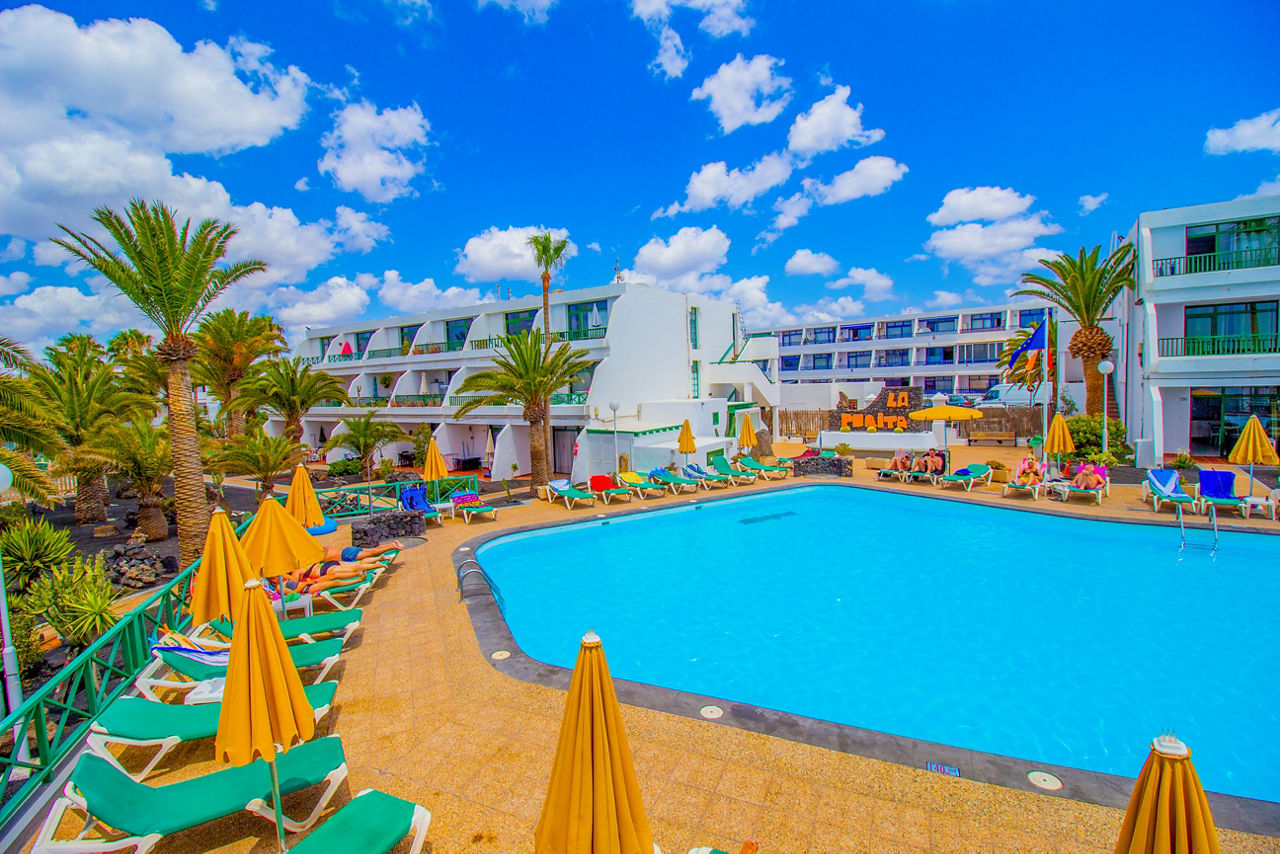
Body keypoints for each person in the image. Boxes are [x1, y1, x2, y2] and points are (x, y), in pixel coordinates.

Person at [324, 540, 403, 563]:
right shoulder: (324, 548)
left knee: (371, 553)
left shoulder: (320, 557)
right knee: (373, 549)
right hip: (347, 549)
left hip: (346, 555)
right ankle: (392, 543)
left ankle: (392, 546)